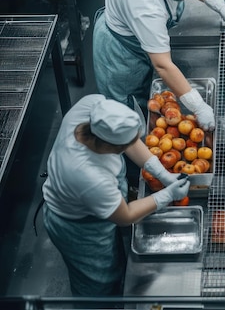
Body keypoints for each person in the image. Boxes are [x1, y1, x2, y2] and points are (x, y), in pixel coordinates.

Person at [42, 94, 190, 296]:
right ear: (112, 147)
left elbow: (128, 140)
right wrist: (167, 195)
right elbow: (125, 216)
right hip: (80, 226)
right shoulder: (88, 175)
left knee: (115, 261)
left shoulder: (92, 107)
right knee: (97, 281)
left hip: (94, 198)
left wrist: (162, 173)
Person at [93, 0, 225, 131]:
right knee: (126, 109)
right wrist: (198, 106)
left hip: (137, 27)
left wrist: (219, 6)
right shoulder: (146, 7)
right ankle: (131, 156)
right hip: (120, 48)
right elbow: (162, 65)